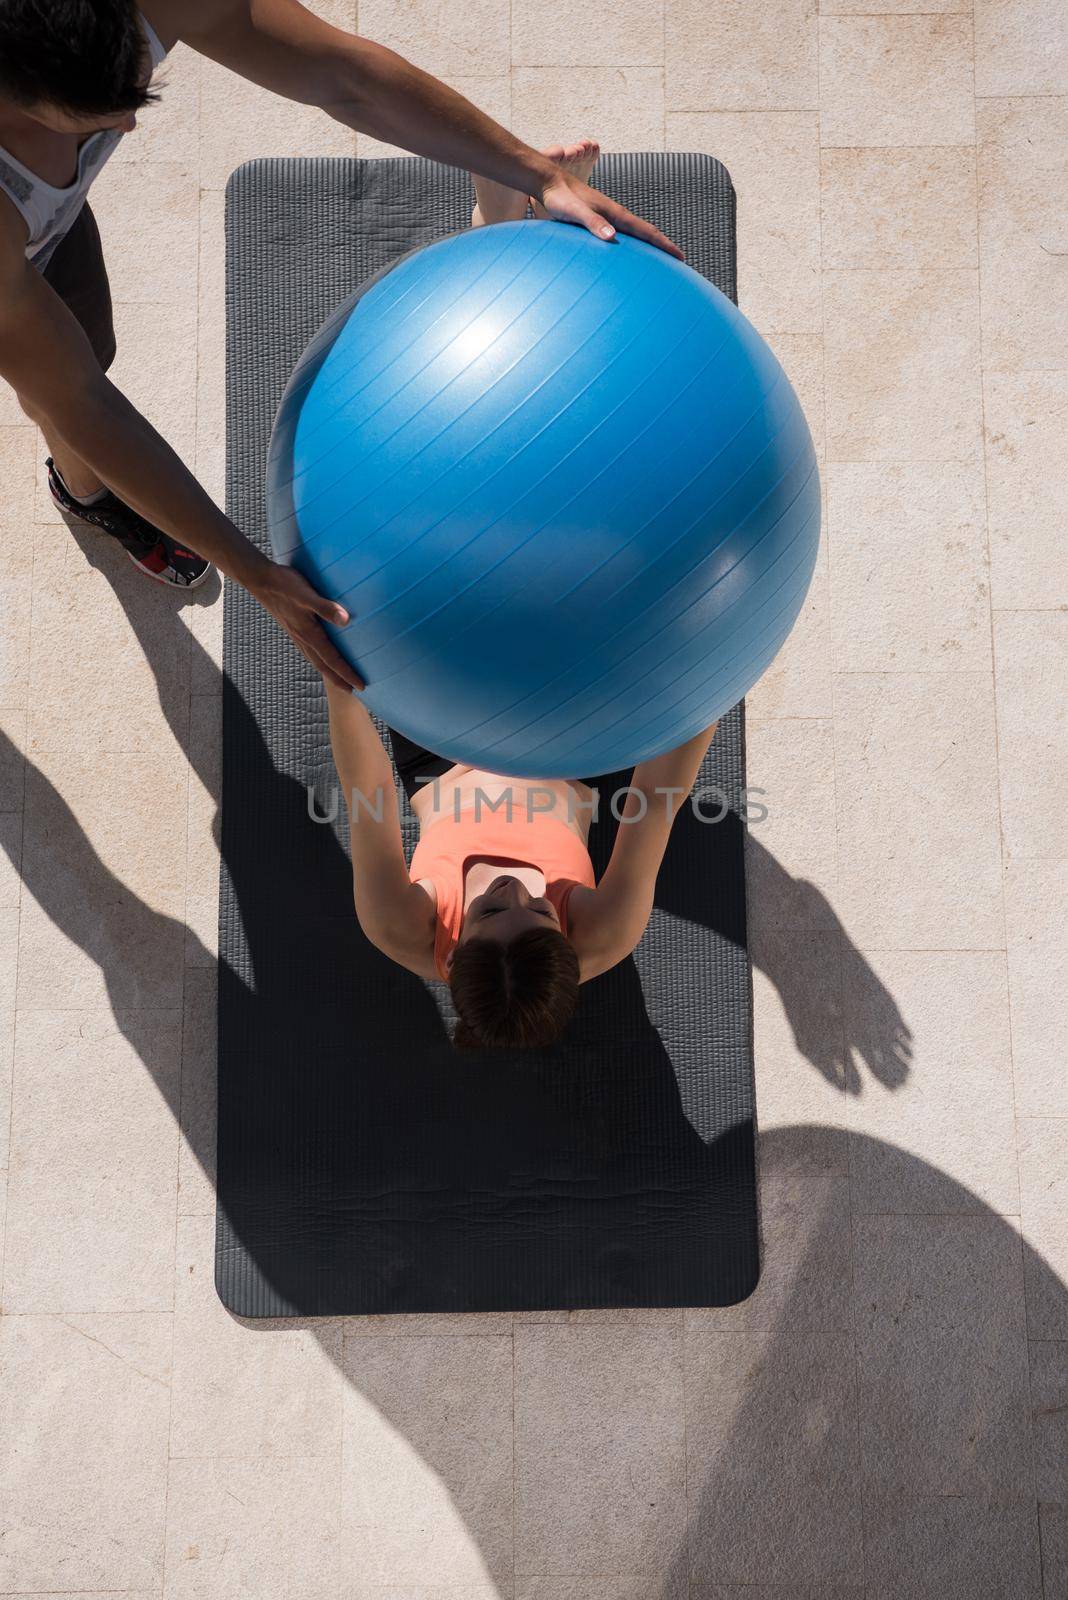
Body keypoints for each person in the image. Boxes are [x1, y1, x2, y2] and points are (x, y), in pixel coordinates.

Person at [0, 0, 683, 688]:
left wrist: (540, 174)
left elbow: (343, 77)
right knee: (58, 384)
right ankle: (87, 494)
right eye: (100, 112)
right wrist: (255, 572)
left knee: (86, 349)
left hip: (36, 226)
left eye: (136, 88)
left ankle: (79, 484)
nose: (128, 124)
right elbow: (86, 401)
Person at [327, 138, 717, 1050]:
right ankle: (523, 253)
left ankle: (495, 225)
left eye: (488, 916)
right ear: (564, 943)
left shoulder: (400, 925)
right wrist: (708, 661)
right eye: (533, 917)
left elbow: (366, 788)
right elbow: (658, 796)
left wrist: (339, 672)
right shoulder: (604, 935)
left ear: (454, 945)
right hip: (576, 743)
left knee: (465, 520)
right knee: (576, 545)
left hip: (443, 732)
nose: (513, 896)